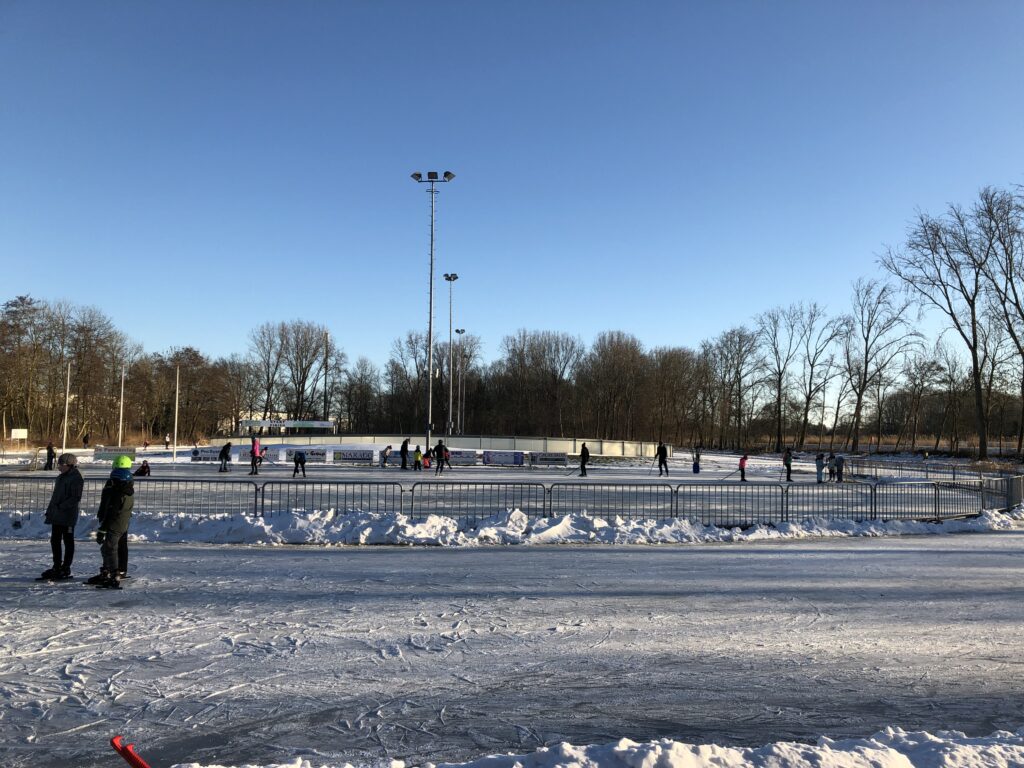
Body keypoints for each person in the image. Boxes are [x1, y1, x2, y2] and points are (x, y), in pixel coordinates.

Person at [91, 455, 135, 589]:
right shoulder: (126, 490)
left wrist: (103, 528)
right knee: (108, 547)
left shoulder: (118, 493)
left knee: (111, 548)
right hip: (119, 523)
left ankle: (114, 573)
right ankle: (108, 571)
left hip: (115, 524)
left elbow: (112, 510)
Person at [39, 453, 84, 580]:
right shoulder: (61, 477)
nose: (58, 467)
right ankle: (57, 566)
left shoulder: (76, 478)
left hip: (67, 516)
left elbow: (75, 497)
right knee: (55, 540)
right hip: (57, 515)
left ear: (70, 465)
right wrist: (51, 510)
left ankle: (66, 567)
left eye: (61, 465)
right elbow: (55, 496)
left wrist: (61, 507)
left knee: (68, 541)